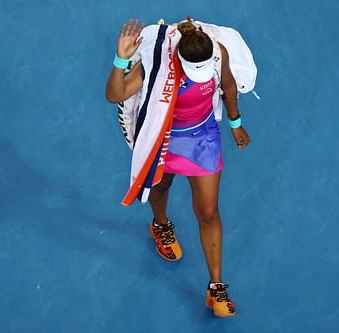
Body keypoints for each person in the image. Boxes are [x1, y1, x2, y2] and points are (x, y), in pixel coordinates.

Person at [105, 18, 250, 317]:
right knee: (160, 186)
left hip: (202, 138)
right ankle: (160, 225)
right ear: (180, 59)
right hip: (165, 138)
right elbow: (115, 95)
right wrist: (121, 59)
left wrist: (235, 123)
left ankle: (216, 287)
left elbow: (228, 85)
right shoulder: (156, 66)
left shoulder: (217, 53)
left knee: (209, 212)